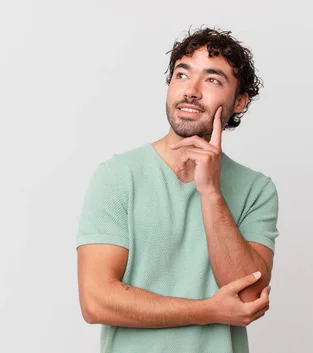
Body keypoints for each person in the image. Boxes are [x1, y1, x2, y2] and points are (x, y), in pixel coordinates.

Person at [76, 27, 280, 353]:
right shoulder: (117, 177)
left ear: (239, 101)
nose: (191, 91)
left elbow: (248, 298)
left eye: (212, 80)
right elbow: (96, 301)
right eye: (182, 75)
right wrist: (207, 310)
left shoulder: (257, 190)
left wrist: (211, 193)